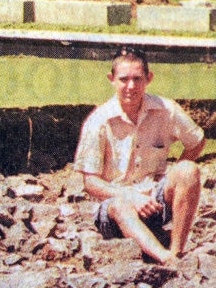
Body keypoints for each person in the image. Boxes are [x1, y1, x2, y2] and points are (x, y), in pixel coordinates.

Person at [73, 46, 206, 264]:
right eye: (124, 79)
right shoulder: (98, 121)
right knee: (120, 204)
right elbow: (90, 182)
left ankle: (176, 251)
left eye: (137, 79)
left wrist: (167, 180)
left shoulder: (166, 109)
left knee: (188, 171)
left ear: (148, 79)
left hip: (154, 202)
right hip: (115, 209)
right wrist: (128, 196)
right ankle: (165, 258)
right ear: (112, 79)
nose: (131, 86)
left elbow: (197, 141)